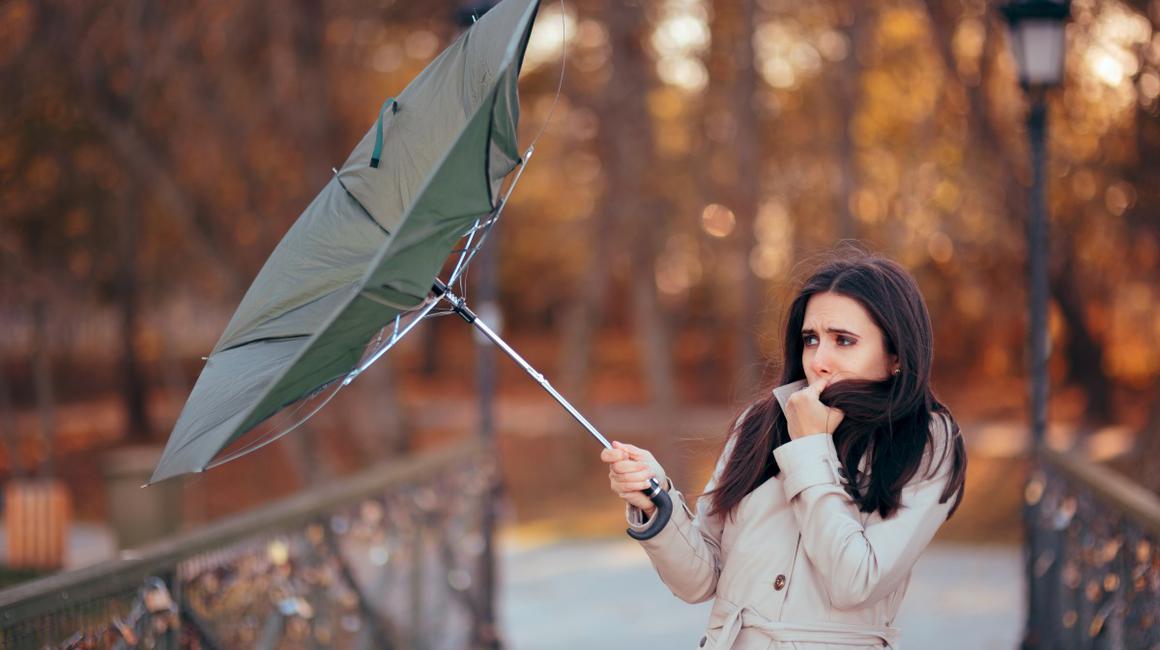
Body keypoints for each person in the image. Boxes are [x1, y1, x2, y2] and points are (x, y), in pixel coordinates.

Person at [601, 252, 967, 649]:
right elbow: (700, 581)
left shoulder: (925, 439)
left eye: (843, 340)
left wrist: (812, 447)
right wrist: (657, 501)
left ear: (895, 353)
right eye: (811, 339)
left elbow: (855, 582)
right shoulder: (761, 423)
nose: (819, 360)